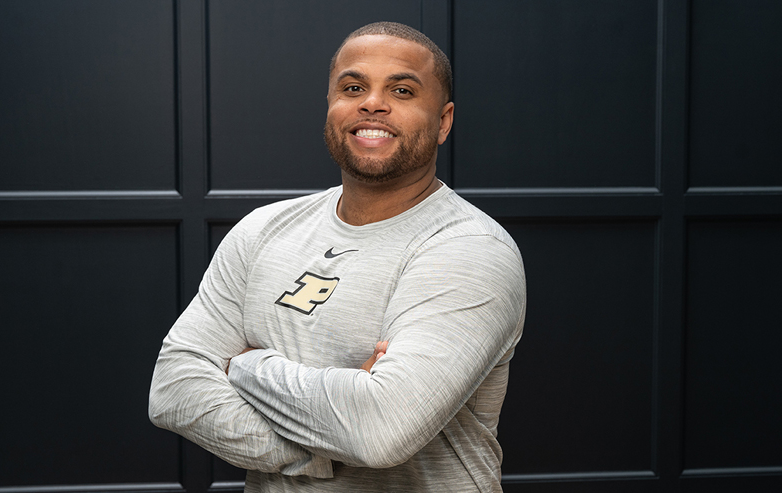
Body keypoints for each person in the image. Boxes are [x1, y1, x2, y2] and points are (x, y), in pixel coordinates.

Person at [149, 21, 526, 492]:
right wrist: (319, 451)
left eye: (403, 90)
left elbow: (381, 430)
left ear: (444, 121)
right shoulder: (264, 228)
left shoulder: (469, 250)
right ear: (331, 106)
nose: (372, 103)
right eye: (353, 87)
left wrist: (244, 366)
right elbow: (173, 389)